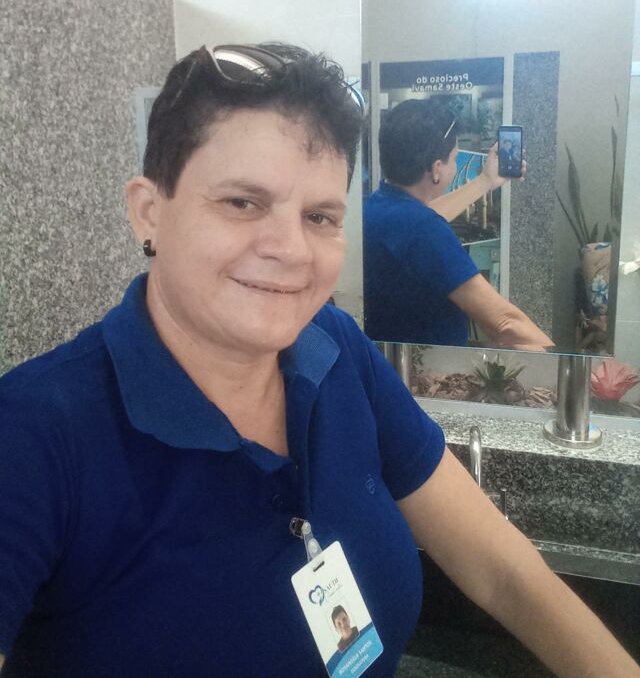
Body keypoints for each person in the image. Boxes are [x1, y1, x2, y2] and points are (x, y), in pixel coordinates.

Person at [0, 44, 637, 678]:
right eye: (242, 202)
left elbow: (500, 569)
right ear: (149, 212)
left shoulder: (333, 347)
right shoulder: (34, 431)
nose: (291, 250)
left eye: (320, 216)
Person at [364, 99, 553, 350]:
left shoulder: (375, 209)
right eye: (455, 158)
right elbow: (506, 324)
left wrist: (486, 180)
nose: (456, 166)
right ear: (437, 169)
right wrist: (567, 366)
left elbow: (423, 217)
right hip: (425, 369)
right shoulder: (423, 229)